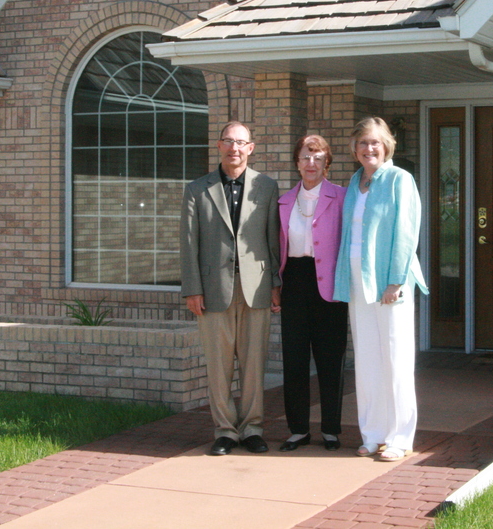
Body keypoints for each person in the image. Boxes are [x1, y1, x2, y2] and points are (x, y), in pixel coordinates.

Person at [180, 121, 281, 456]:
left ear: (251, 148)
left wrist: (276, 283)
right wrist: (192, 289)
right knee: (219, 364)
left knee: (254, 364)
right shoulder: (197, 189)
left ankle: (252, 428)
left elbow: (272, 241)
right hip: (212, 290)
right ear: (219, 146)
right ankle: (225, 431)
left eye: (241, 142)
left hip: (257, 288)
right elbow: (189, 243)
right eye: (228, 141)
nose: (234, 148)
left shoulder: (267, 187)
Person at [334, 117, 428, 462]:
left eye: (375, 142)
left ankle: (400, 437)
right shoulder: (356, 181)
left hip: (390, 284)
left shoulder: (400, 180)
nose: (368, 148)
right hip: (358, 283)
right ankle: (373, 435)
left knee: (396, 360)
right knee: (368, 360)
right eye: (362, 143)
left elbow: (407, 232)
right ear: (354, 149)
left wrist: (395, 281)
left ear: (387, 145)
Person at [277, 134, 348, 452]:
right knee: (294, 358)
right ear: (297, 163)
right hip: (294, 280)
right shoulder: (284, 201)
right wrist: (275, 287)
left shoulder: (342, 198)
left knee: (330, 359)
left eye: (318, 158)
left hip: (329, 285)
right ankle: (298, 429)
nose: (311, 163)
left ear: (327, 164)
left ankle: (331, 429)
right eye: (306, 157)